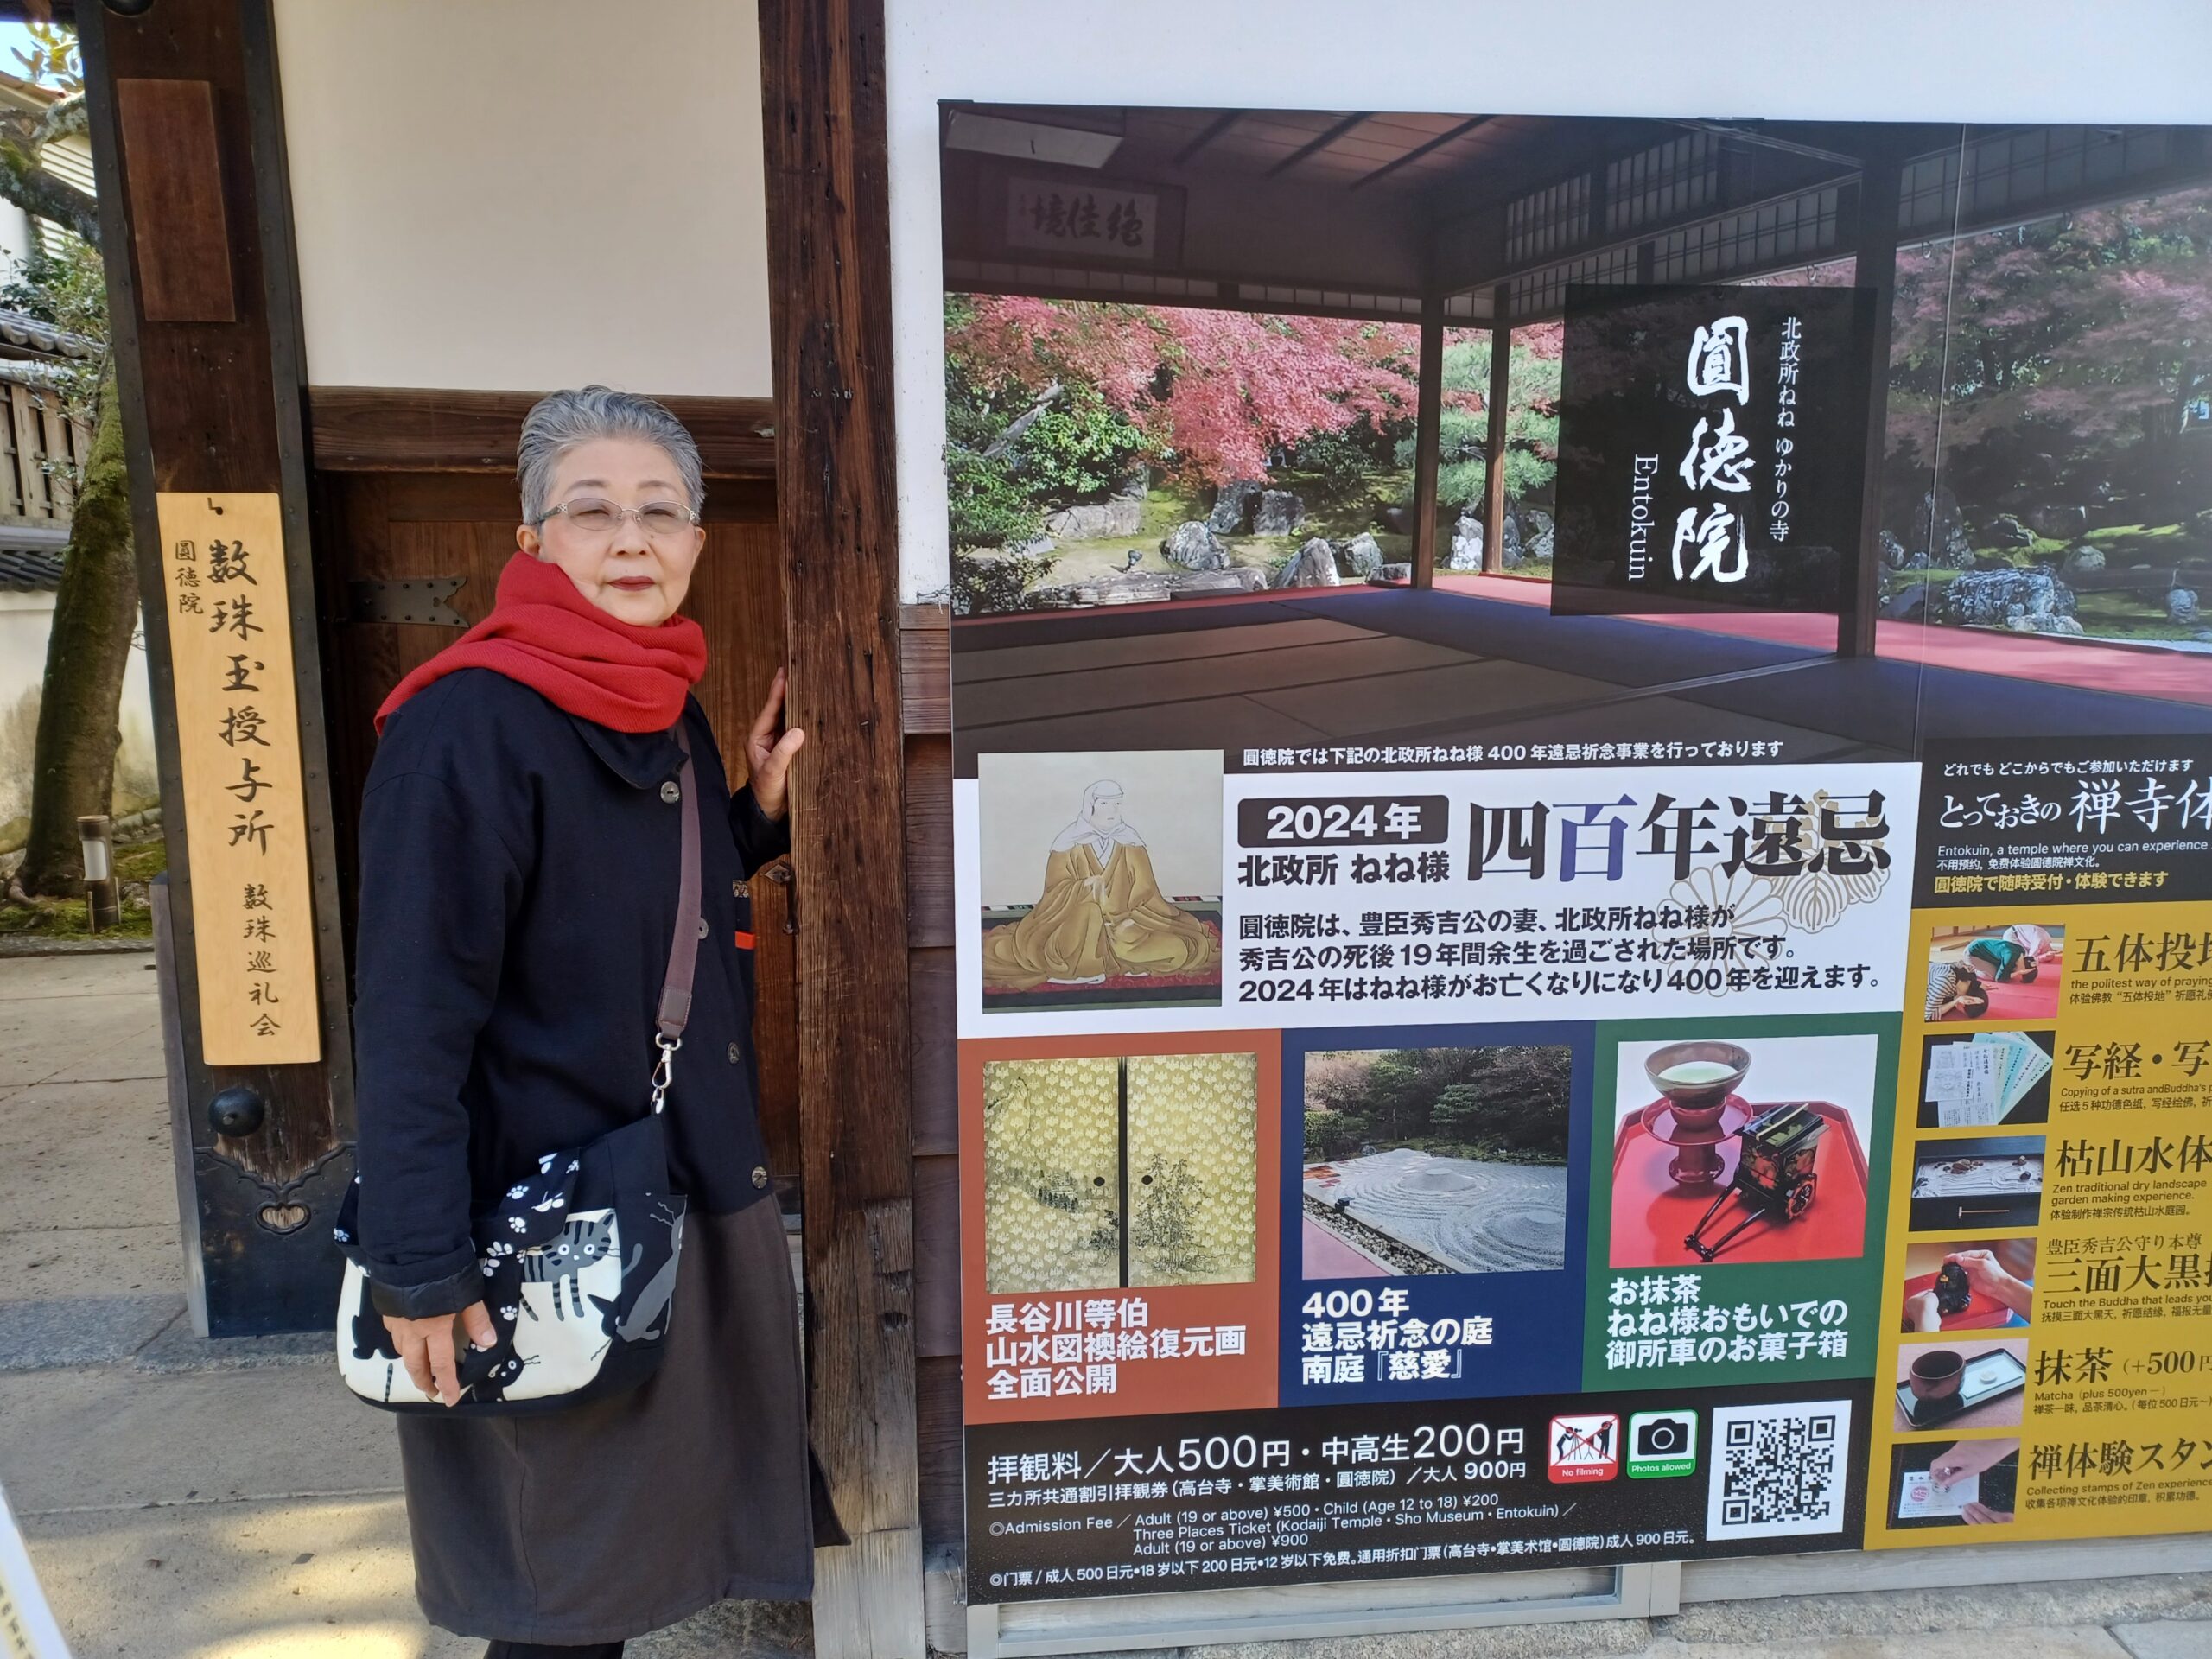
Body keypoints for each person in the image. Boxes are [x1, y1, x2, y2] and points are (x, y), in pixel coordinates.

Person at [351, 388, 825, 1657]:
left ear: (696, 541)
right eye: (592, 511)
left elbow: (621, 900)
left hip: (667, 1187)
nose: (630, 540)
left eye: (659, 512)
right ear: (532, 540)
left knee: (625, 1559)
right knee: (555, 1586)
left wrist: (755, 814)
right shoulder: (464, 723)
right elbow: (407, 1015)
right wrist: (417, 1262)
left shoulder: (662, 699)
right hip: (539, 1216)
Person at [982, 779, 1221, 989]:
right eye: (1105, 803)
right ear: (1091, 805)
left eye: (1117, 803)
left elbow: (1147, 892)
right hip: (1078, 929)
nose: (1112, 810)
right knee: (1088, 913)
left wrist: (1127, 917)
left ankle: (1118, 957)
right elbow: (1053, 893)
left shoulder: (1130, 841)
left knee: (1179, 948)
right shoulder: (1067, 843)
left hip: (1126, 929)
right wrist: (1084, 888)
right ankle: (1086, 964)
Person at [1924, 960, 1988, 1021]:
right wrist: (1956, 1001)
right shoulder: (1944, 983)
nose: (1959, 1010)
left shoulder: (1966, 979)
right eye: (1961, 1011)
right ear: (1963, 1004)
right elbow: (1927, 1016)